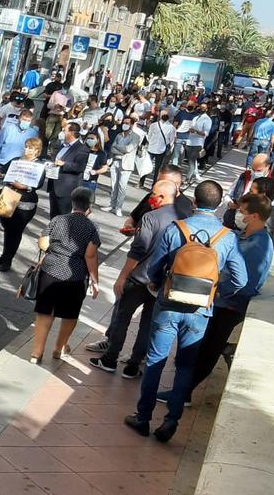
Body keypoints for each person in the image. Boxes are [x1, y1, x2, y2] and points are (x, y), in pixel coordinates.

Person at [124, 181, 247, 443]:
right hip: (200, 310)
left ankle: (143, 417)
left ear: (194, 202)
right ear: (219, 204)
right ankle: (171, 420)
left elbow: (155, 267)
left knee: (156, 360)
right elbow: (241, 279)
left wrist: (157, 282)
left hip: (169, 304)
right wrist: (216, 287)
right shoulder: (227, 237)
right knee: (185, 365)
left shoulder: (176, 229)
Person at [178, 194, 274, 398]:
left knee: (208, 349)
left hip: (230, 305)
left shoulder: (259, 244)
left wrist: (222, 289)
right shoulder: (244, 234)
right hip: (221, 300)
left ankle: (184, 393)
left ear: (254, 216)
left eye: (242, 212)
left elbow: (247, 282)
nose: (238, 214)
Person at [89, 180, 187, 378]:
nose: (150, 199)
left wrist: (122, 276)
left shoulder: (151, 217)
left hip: (139, 278)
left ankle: (110, 358)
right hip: (160, 281)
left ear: (161, 197)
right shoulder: (183, 220)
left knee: (121, 319)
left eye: (153, 195)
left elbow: (138, 250)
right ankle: (133, 364)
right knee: (147, 325)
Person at [30, 189, 100, 362]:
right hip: (74, 276)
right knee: (70, 314)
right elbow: (90, 255)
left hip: (50, 270)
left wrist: (56, 251)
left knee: (45, 313)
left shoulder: (58, 220)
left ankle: (36, 352)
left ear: (72, 202)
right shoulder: (91, 228)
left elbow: (43, 242)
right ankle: (58, 348)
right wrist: (94, 280)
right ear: (89, 207)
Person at [0, 137, 46, 271]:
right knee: (7, 228)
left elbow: (38, 184)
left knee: (15, 231)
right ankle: (4, 256)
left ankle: (8, 260)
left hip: (25, 202)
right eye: (26, 146)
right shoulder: (16, 160)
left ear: (37, 151)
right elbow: (4, 170)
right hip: (9, 197)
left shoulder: (39, 166)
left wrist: (24, 186)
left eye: (30, 148)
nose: (27, 149)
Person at [48, 123, 90, 216]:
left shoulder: (82, 148)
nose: (62, 132)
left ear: (71, 133)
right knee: (53, 215)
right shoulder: (62, 145)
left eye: (64, 130)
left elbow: (80, 167)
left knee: (63, 216)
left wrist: (64, 164)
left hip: (66, 189)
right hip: (54, 186)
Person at [0, 107, 39, 176]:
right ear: (19, 119)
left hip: (20, 167)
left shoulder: (33, 133)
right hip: (2, 165)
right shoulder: (8, 130)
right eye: (24, 120)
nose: (26, 122)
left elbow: (35, 149)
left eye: (28, 121)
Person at [105, 114, 142, 216]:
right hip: (115, 162)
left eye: (127, 123)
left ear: (131, 125)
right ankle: (111, 205)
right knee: (114, 185)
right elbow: (112, 148)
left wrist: (118, 147)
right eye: (124, 123)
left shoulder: (136, 136)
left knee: (122, 186)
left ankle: (118, 207)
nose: (124, 125)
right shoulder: (119, 135)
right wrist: (119, 148)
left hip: (126, 164)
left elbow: (128, 149)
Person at [185, 102, 213, 184]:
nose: (202, 108)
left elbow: (205, 133)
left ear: (207, 109)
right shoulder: (195, 118)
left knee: (192, 161)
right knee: (191, 160)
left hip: (198, 143)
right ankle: (195, 175)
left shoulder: (207, 119)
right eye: (201, 107)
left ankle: (188, 178)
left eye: (204, 107)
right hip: (190, 141)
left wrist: (196, 131)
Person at [81, 131, 109, 201]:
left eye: (92, 138)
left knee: (87, 201)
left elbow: (105, 168)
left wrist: (96, 172)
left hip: (90, 181)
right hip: (79, 178)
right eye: (88, 138)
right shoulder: (82, 149)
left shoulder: (101, 153)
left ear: (97, 140)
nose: (90, 140)